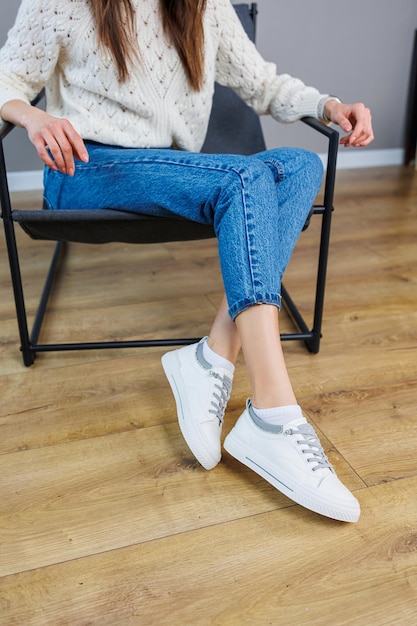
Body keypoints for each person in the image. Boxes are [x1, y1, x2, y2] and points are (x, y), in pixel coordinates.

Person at [0, 0, 373, 522]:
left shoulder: (202, 5)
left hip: (173, 170)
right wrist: (32, 114)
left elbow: (262, 84)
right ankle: (273, 416)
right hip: (84, 166)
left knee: (299, 165)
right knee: (243, 179)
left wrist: (329, 103)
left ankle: (214, 354)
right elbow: (6, 76)